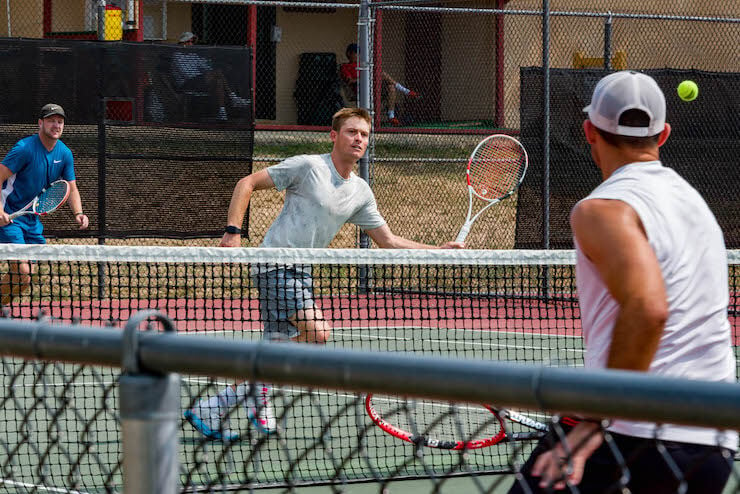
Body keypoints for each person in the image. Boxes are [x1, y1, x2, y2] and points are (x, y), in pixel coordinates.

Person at [508, 71, 737, 493]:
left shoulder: (600, 209)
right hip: (712, 440)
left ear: (589, 131)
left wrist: (596, 420)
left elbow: (649, 308)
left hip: (634, 436)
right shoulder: (697, 206)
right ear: (664, 134)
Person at [184, 107, 464, 441]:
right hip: (274, 263)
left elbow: (388, 241)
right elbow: (247, 183)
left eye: (363, 134)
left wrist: (439, 250)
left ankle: (214, 407)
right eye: (351, 132)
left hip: (303, 271)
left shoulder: (360, 192)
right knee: (317, 334)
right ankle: (253, 390)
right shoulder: (308, 166)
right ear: (334, 136)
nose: (358, 139)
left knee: (275, 350)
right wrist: (233, 231)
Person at [0, 104, 89, 306]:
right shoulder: (24, 149)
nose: (56, 125)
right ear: (40, 123)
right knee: (22, 272)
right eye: (51, 120)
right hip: (9, 219)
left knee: (24, 279)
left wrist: (79, 213)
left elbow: (72, 188)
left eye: (60, 121)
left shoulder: (65, 153)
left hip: (32, 222)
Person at [171, 31, 250, 121]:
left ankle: (222, 113)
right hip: (186, 83)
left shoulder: (193, 55)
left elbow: (205, 66)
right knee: (217, 73)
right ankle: (233, 98)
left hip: (199, 81)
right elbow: (187, 74)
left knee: (218, 82)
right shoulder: (177, 56)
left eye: (192, 42)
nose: (191, 44)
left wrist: (210, 62)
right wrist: (207, 75)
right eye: (188, 41)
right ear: (183, 43)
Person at [339, 43, 419, 126]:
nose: (358, 55)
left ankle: (391, 116)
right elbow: (350, 81)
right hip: (360, 89)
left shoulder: (362, 64)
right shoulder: (345, 66)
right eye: (355, 53)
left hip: (372, 87)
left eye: (359, 53)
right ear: (349, 53)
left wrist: (370, 78)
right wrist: (365, 79)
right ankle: (405, 90)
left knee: (390, 87)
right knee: (381, 73)